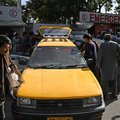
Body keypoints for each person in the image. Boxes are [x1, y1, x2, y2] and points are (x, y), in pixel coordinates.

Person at [0, 35, 22, 119]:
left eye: (9, 48)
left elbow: (12, 65)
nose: (7, 50)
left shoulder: (6, 55)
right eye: (6, 48)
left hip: (3, 92)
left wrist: (19, 76)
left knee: (2, 114)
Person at [96, 34, 120, 99]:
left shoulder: (103, 45)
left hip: (104, 65)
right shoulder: (116, 44)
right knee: (114, 80)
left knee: (104, 81)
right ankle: (114, 94)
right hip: (114, 65)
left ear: (104, 38)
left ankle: (106, 95)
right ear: (110, 38)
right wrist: (117, 60)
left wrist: (98, 65)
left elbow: (100, 56)